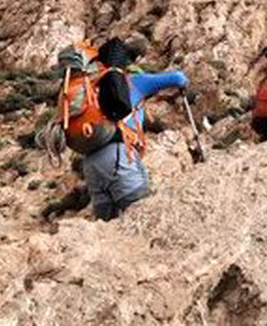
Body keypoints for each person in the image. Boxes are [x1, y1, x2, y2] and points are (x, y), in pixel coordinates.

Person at [63, 37, 189, 221]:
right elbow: (177, 77)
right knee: (141, 214)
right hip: (118, 155)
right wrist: (183, 83)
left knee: (106, 229)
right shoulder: (133, 81)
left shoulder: (92, 86)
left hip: (91, 164)